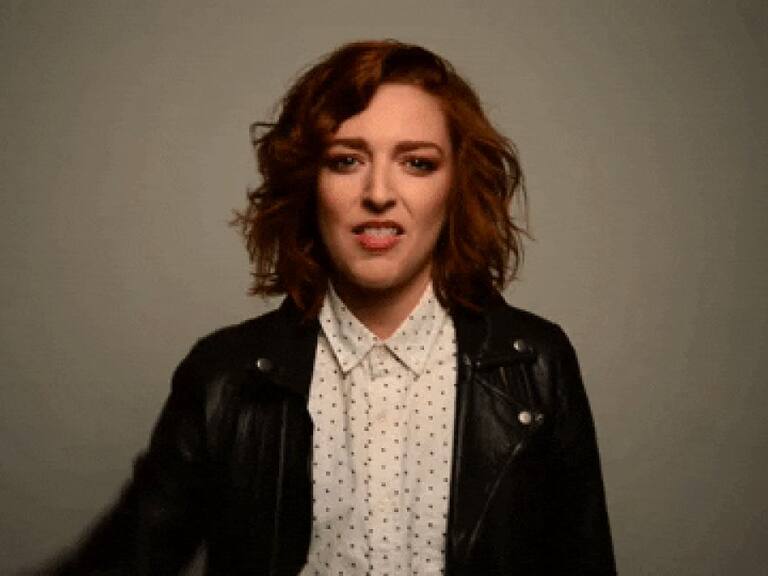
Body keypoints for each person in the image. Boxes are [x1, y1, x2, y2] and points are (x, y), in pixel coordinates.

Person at [40, 40, 615, 575]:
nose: (379, 194)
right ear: (308, 183)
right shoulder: (224, 377)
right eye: (346, 160)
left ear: (456, 186)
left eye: (417, 162)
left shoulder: (534, 365)